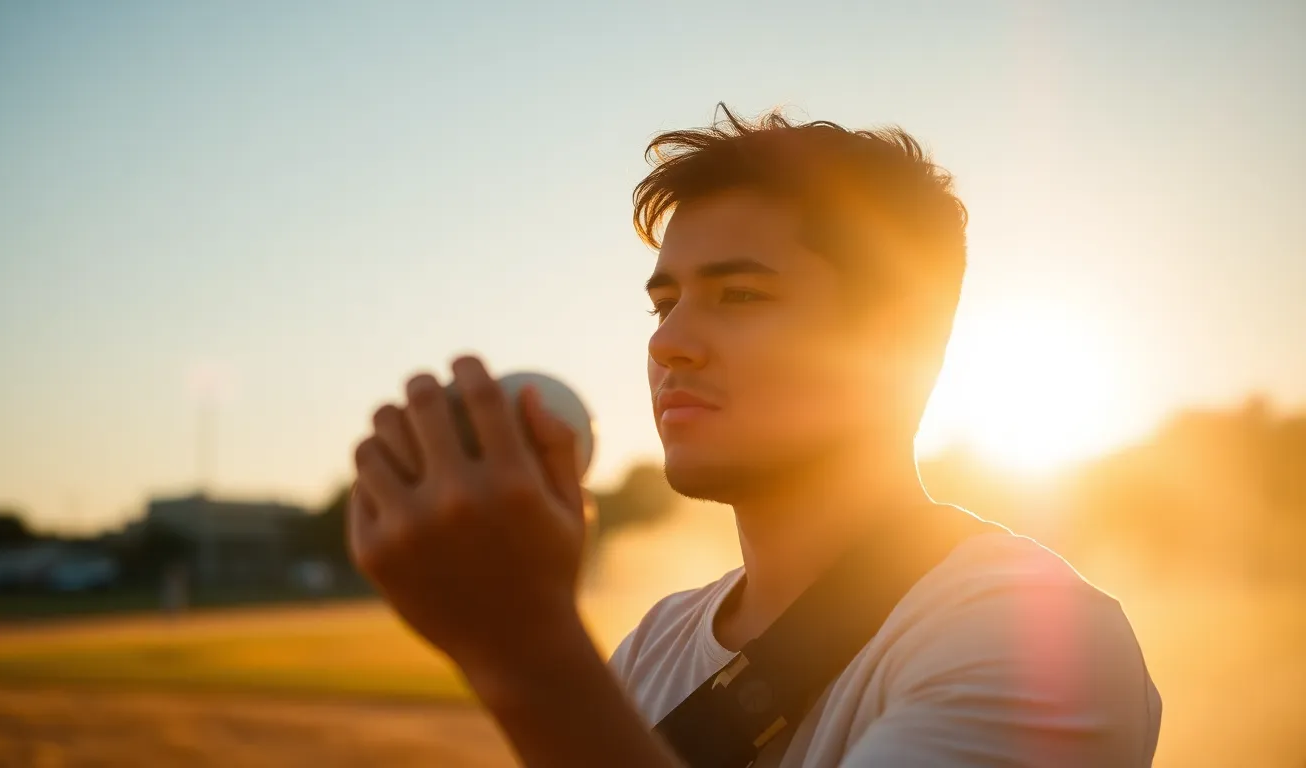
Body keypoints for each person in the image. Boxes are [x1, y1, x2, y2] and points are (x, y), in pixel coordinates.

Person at [347, 105, 1163, 767]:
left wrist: (527, 654)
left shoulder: (1040, 637)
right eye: (663, 303)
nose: (669, 343)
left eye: (739, 296)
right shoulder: (655, 646)